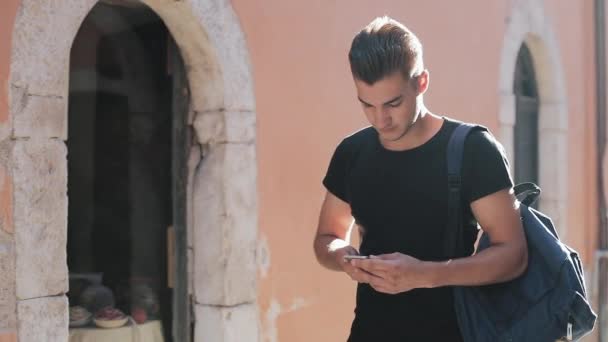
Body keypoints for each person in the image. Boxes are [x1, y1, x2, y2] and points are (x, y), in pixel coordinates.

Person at [313, 16, 528, 341]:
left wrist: (424, 275)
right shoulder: (352, 153)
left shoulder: (473, 150)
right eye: (367, 104)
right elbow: (327, 236)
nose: (380, 119)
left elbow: (513, 255)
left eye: (393, 103)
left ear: (421, 82)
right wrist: (345, 258)